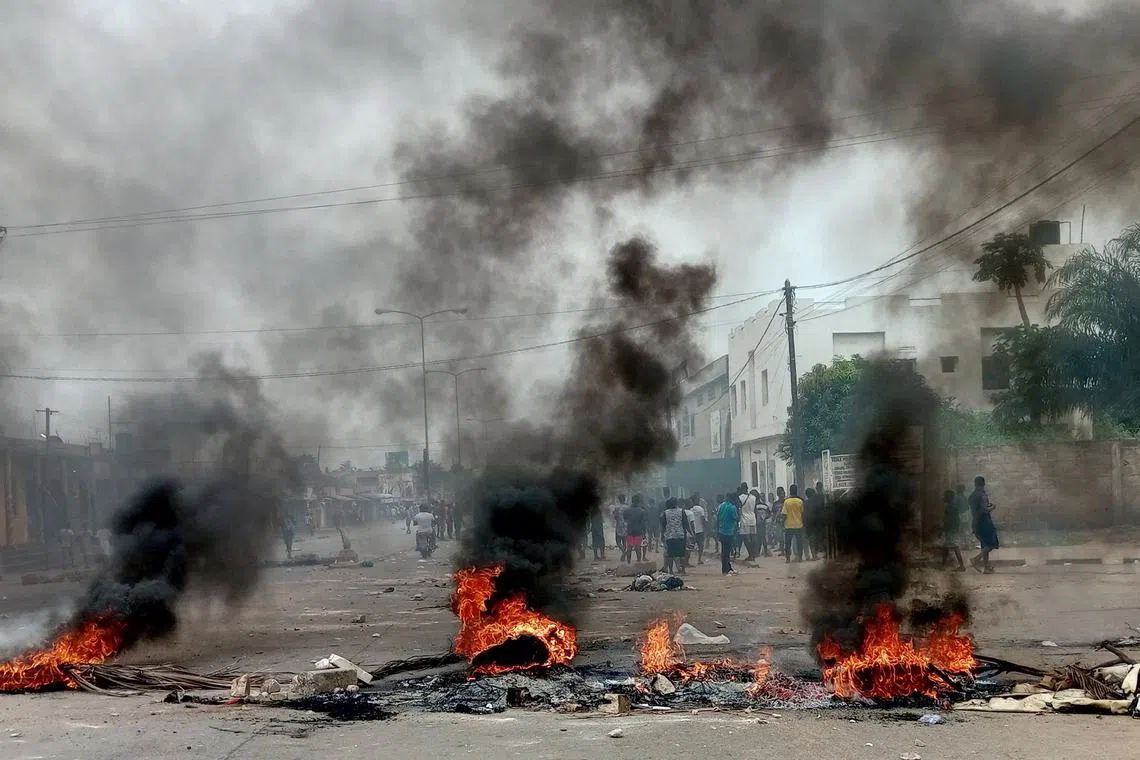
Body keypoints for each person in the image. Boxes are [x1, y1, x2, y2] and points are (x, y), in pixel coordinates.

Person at [968, 476, 1000, 574]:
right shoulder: (983, 495)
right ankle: (976, 559)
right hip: (984, 521)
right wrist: (993, 507)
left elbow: (976, 509)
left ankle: (986, 567)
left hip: (976, 522)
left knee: (984, 545)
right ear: (984, 484)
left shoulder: (972, 496)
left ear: (975, 484)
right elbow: (984, 510)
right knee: (992, 543)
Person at [661, 497, 691, 575]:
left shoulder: (665, 513)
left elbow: (663, 525)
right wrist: (690, 532)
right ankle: (683, 571)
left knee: (671, 554)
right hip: (680, 535)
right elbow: (686, 523)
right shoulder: (681, 511)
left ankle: (671, 571)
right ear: (676, 504)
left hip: (670, 536)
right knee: (682, 554)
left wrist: (662, 535)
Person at [940, 489, 966, 571]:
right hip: (953, 529)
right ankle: (943, 565)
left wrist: (943, 529)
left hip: (950, 530)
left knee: (953, 547)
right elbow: (956, 519)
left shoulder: (949, 507)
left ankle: (961, 566)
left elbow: (947, 520)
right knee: (947, 547)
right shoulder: (953, 506)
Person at [716, 491, 739, 575]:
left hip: (722, 531)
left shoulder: (721, 506)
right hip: (729, 531)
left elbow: (718, 519)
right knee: (727, 551)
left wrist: (717, 530)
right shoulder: (732, 507)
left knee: (724, 551)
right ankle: (725, 569)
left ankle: (727, 568)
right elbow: (736, 518)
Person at [782, 484, 805, 562]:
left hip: (789, 525)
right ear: (796, 491)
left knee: (788, 543)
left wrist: (783, 523)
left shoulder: (786, 502)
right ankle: (800, 557)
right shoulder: (800, 501)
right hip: (799, 525)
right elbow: (802, 513)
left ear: (790, 491)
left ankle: (788, 558)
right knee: (799, 542)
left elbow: (784, 514)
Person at [624, 494, 649, 563]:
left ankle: (628, 563)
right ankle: (638, 562)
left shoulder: (627, 510)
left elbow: (625, 519)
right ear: (638, 501)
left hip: (630, 531)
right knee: (638, 547)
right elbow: (643, 523)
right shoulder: (642, 511)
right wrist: (644, 532)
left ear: (632, 501)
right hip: (638, 531)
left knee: (629, 548)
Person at [736, 483, 757, 562]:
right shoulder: (753, 497)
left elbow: (739, 509)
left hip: (744, 519)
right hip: (753, 518)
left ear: (742, 489)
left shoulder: (740, 498)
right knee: (753, 537)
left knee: (746, 538)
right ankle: (753, 555)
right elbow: (755, 510)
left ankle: (751, 554)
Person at [752, 489, 771, 557]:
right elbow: (768, 514)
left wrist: (764, 517)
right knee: (761, 537)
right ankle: (762, 552)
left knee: (760, 538)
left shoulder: (759, 506)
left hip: (759, 523)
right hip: (760, 523)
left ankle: (761, 552)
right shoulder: (761, 505)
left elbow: (769, 514)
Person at [688, 495, 706, 565]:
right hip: (700, 530)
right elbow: (703, 519)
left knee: (690, 546)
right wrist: (705, 527)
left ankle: (687, 560)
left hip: (692, 531)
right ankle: (699, 559)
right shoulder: (701, 509)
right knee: (701, 545)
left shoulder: (690, 510)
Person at [612, 494, 629, 561]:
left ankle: (624, 552)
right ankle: (624, 554)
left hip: (619, 526)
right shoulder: (627, 507)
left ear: (619, 500)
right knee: (624, 541)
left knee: (618, 541)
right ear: (624, 499)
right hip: (626, 526)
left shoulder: (617, 508)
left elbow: (615, 517)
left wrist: (615, 514)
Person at [773, 486, 787, 557]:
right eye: (779, 493)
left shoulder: (787, 502)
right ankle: (782, 550)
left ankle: (786, 550)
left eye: (782, 493)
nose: (782, 495)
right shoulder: (775, 503)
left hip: (786, 521)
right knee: (780, 537)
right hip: (778, 522)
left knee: (785, 537)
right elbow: (773, 513)